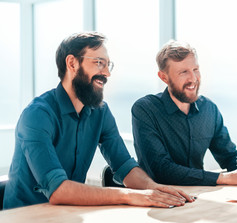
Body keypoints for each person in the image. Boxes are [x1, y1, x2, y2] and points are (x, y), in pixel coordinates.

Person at [3, 32, 194, 210]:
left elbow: (124, 165)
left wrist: (153, 189)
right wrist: (127, 195)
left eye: (108, 65)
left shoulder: (100, 112)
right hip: (22, 220)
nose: (107, 73)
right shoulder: (37, 115)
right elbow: (58, 190)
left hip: (66, 215)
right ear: (72, 63)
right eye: (99, 63)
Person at [131, 40, 237, 186]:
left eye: (195, 69)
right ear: (164, 77)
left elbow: (230, 155)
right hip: (157, 197)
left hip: (197, 195)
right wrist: (224, 178)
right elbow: (162, 170)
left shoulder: (209, 109)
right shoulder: (145, 109)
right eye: (183, 72)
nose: (193, 78)